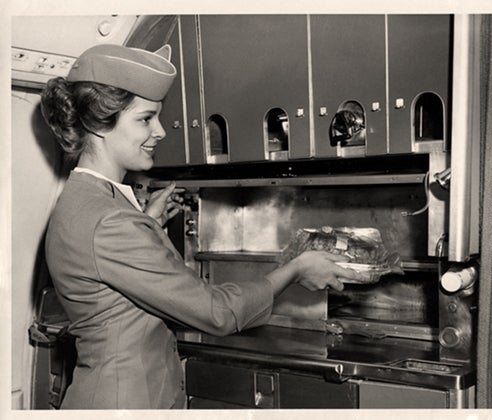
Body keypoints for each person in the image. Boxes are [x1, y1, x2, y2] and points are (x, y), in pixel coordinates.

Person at [40, 43, 355, 409]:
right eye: (145, 119)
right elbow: (217, 313)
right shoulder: (111, 220)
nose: (159, 131)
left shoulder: (83, 199)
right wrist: (295, 269)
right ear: (98, 124)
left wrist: (146, 224)